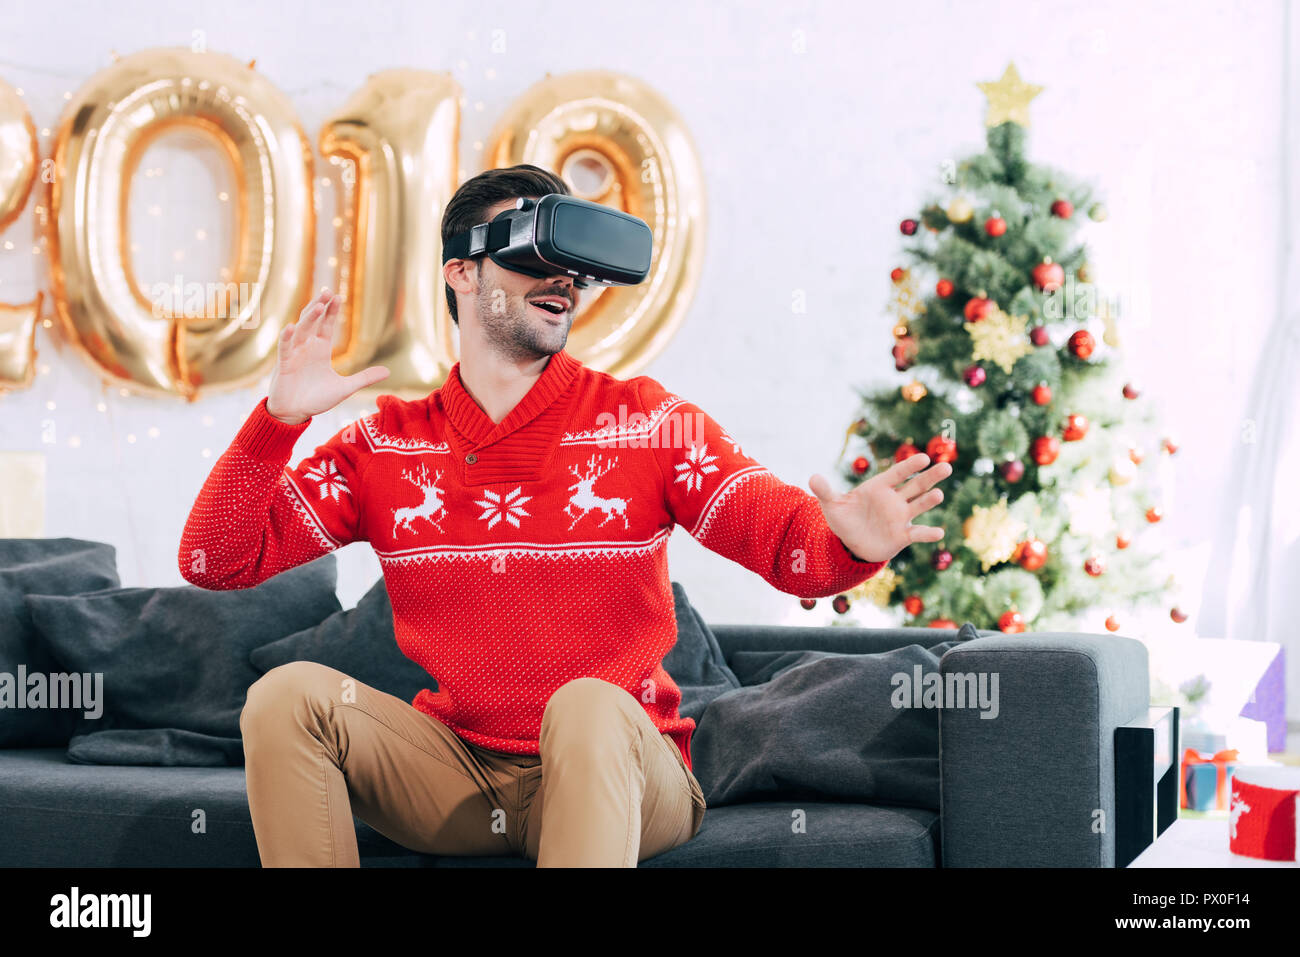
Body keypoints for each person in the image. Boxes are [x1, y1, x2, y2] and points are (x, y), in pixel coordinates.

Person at [178, 163, 951, 868]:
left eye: (574, 269)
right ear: (461, 271)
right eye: (532, 256)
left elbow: (791, 548)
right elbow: (216, 561)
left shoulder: (647, 422)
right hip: (461, 775)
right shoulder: (385, 445)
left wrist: (849, 542)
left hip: (624, 768)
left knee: (582, 702)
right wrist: (276, 422)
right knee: (286, 696)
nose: (563, 284)